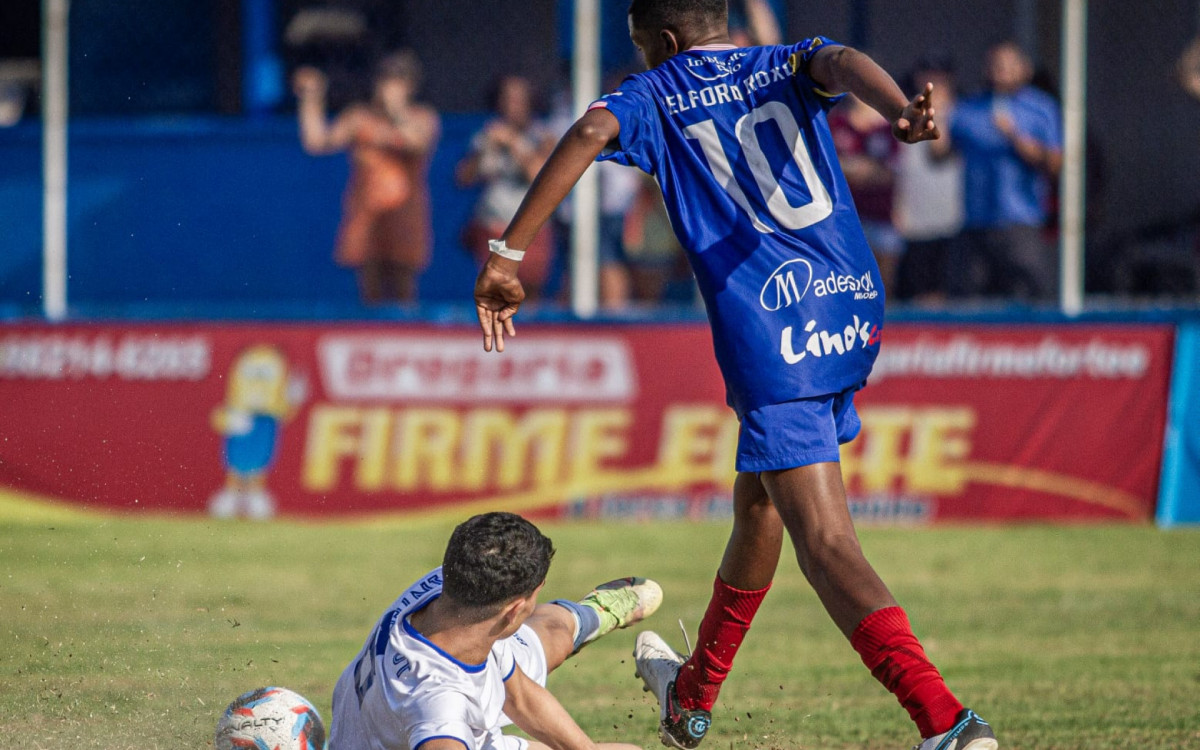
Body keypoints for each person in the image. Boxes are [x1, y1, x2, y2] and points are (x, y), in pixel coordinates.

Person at [471, 2, 997, 750]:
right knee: (762, 508)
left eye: (642, 48)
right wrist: (897, 114)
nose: (643, 60)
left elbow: (589, 132)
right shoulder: (780, 59)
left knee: (826, 541)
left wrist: (507, 256)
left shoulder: (654, 91)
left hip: (774, 328)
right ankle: (692, 697)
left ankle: (946, 722)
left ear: (667, 41)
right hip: (849, 298)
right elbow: (843, 61)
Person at [330, 511, 663, 750]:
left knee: (552, 636)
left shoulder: (451, 587)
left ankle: (594, 612)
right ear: (515, 610)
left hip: (430, 697)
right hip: (443, 729)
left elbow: (518, 694)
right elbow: (439, 724)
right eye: (537, 591)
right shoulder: (439, 709)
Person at [294, 51, 440, 304]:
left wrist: (396, 111)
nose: (388, 89)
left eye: (398, 82)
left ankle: (402, 339)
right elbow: (317, 142)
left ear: (411, 87)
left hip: (405, 216)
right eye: (385, 81)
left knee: (404, 290)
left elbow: (417, 143)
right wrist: (311, 98)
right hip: (366, 215)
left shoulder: (423, 118)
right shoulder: (358, 117)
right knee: (370, 292)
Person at [933, 41, 1062, 301]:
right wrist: (936, 117)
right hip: (975, 223)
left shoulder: (1040, 108)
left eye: (1006, 66)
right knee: (967, 296)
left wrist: (1014, 136)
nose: (998, 71)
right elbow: (938, 156)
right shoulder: (969, 109)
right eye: (994, 65)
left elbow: (1055, 164)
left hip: (1020, 222)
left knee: (1028, 294)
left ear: (1024, 69)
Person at [458, 76, 558, 301]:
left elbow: (539, 177)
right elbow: (463, 179)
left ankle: (529, 336)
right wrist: (484, 151)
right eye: (507, 99)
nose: (513, 106)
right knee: (497, 293)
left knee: (528, 293)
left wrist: (514, 144)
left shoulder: (543, 136)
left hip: (532, 228)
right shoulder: (487, 135)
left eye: (519, 100)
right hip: (494, 226)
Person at [893, 54, 964, 304]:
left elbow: (940, 151)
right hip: (913, 220)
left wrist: (939, 114)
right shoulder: (902, 115)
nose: (932, 83)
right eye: (927, 76)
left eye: (939, 79)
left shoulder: (962, 115)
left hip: (951, 220)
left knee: (942, 293)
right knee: (914, 292)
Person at [829, 93, 904, 294]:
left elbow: (892, 173)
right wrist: (856, 170)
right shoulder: (836, 122)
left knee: (884, 284)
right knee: (844, 281)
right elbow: (826, 168)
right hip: (844, 218)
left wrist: (857, 170)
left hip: (882, 215)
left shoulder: (889, 128)